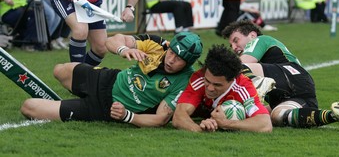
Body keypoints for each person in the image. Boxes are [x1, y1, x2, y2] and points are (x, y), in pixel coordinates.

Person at [20, 31, 203, 126]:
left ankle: (77, 102)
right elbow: (112, 40)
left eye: (179, 59)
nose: (171, 59)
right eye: (171, 52)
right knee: (58, 70)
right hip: (106, 78)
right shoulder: (158, 44)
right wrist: (125, 49)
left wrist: (127, 116)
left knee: (29, 107)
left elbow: (161, 119)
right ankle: (78, 90)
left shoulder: (185, 80)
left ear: (188, 63)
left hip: (106, 108)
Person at [221, 20, 339, 128]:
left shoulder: (260, 40)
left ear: (252, 35)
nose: (233, 47)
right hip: (300, 90)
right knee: (278, 116)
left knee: (236, 66)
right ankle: (333, 115)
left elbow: (238, 65)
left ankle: (258, 82)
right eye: (231, 45)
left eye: (236, 40)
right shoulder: (263, 54)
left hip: (290, 74)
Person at [172, 44, 272, 133]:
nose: (210, 88)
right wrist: (200, 129)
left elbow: (265, 124)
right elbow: (179, 116)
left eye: (217, 85)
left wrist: (225, 123)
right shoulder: (199, 78)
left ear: (232, 80)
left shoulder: (243, 87)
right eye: (207, 81)